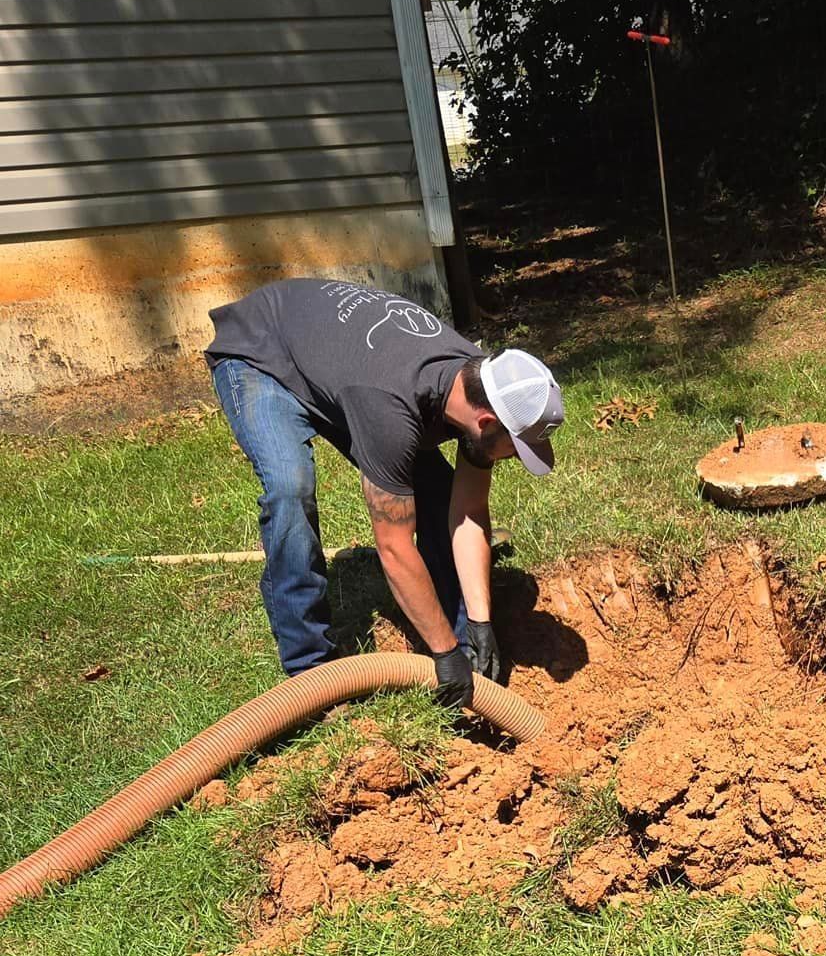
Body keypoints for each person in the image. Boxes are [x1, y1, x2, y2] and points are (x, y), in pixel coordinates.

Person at [205, 278, 563, 708]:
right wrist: (443, 654)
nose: (514, 459)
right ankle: (308, 670)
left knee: (436, 492)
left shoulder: (476, 381)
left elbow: (466, 510)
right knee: (289, 488)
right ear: (486, 422)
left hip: (337, 364)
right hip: (261, 352)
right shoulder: (390, 409)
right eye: (517, 447)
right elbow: (393, 548)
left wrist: (479, 623)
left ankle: (460, 629)